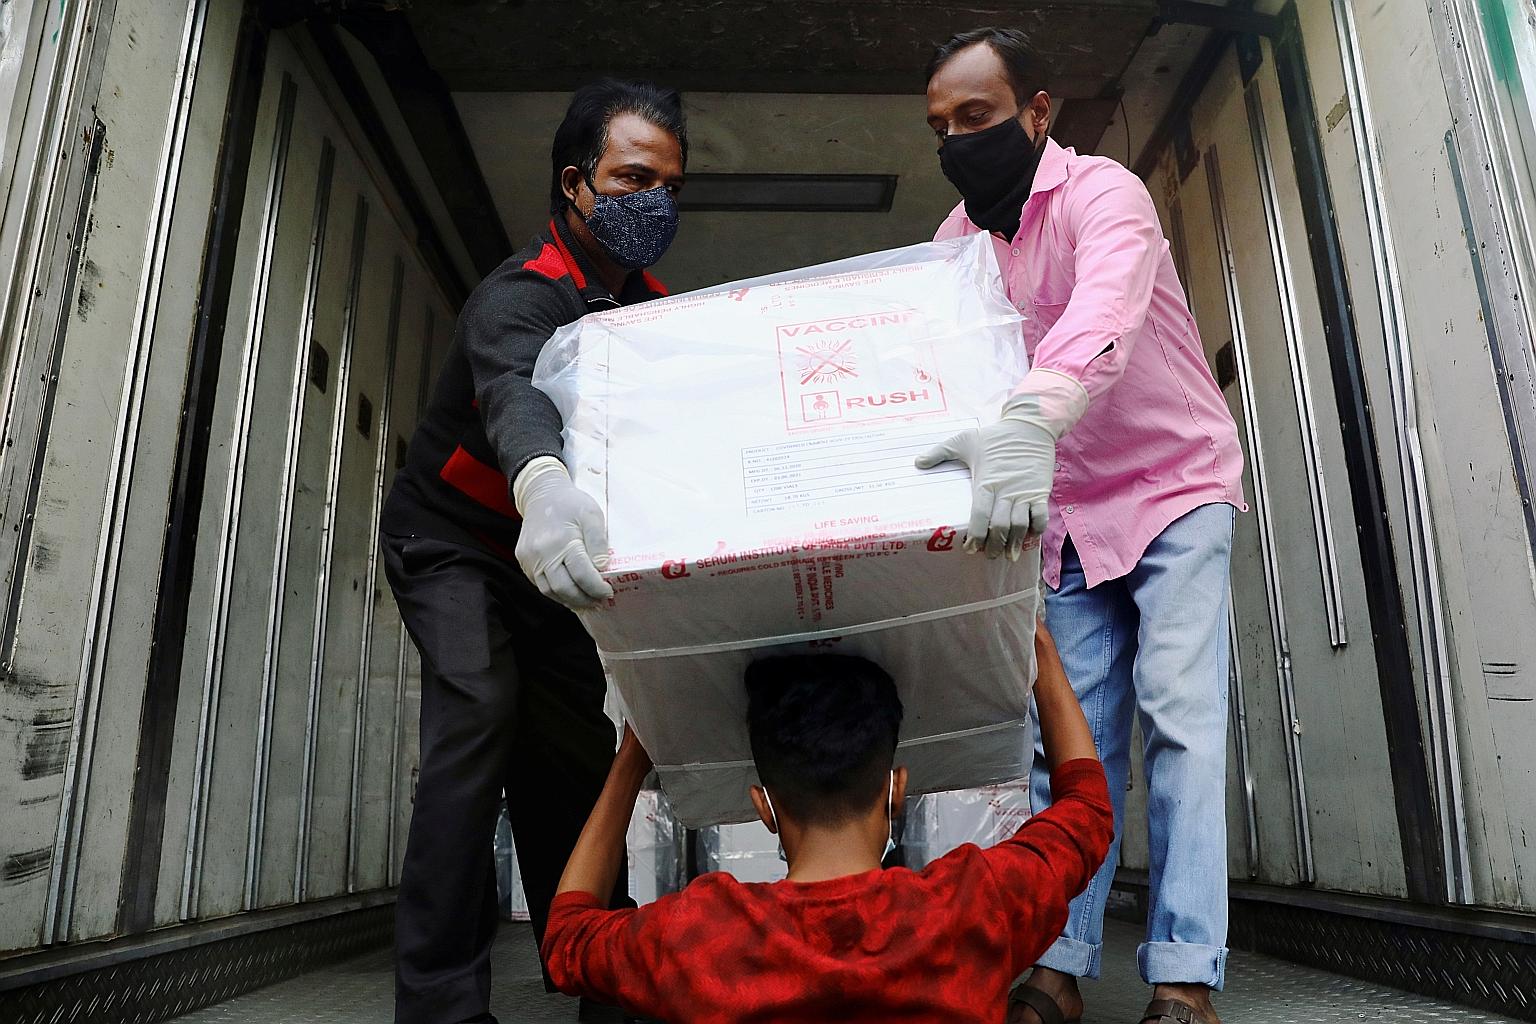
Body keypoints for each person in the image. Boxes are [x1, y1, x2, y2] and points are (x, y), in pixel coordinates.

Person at [915, 27, 1246, 1024]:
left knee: (1181, 721)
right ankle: (1054, 965)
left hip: (1174, 485)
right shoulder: (952, 249)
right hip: (1061, 516)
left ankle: (1183, 981)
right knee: (1066, 745)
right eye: (940, 126)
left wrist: (1027, 416)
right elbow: (934, 375)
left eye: (977, 116)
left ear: (1038, 112)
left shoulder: (1108, 196)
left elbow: (1104, 314)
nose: (958, 140)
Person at [378, 79, 687, 1024]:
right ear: (575, 183)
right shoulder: (517, 294)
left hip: (547, 570)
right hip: (456, 542)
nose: (654, 203)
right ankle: (439, 1004)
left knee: (574, 762)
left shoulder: (657, 315)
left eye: (671, 185)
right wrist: (544, 483)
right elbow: (517, 390)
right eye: (632, 178)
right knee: (478, 719)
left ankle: (596, 971)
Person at [538, 626, 1113, 1023]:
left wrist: (633, 756)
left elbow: (567, 936)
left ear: (764, 808)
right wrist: (1037, 646)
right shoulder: (972, 906)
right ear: (896, 790)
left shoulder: (701, 936)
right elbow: (1087, 811)